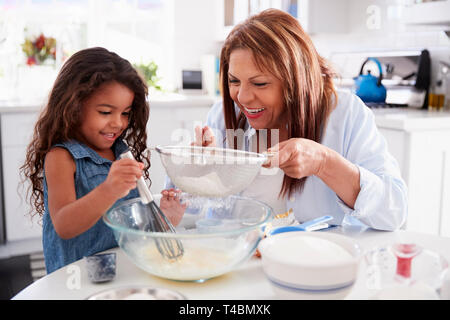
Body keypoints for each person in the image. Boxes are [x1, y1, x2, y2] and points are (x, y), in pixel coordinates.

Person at [187, 9, 407, 231]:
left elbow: (393, 212)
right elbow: (198, 216)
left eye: (260, 83)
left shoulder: (345, 114)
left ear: (296, 80)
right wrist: (204, 173)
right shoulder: (224, 116)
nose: (242, 97)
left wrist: (324, 163)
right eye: (234, 81)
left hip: (317, 259)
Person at [21, 47, 183, 273]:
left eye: (125, 113)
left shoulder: (121, 151)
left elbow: (130, 223)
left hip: (122, 271)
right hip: (76, 280)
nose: (118, 123)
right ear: (73, 107)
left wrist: (165, 219)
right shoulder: (61, 157)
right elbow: (64, 225)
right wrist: (109, 189)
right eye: (106, 112)